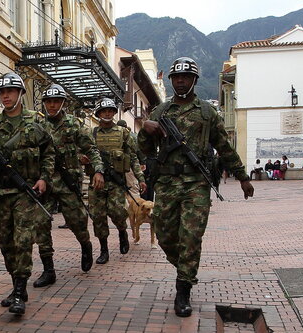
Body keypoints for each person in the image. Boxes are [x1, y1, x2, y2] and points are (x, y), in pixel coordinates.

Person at [138, 57, 254, 317]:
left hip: (196, 184)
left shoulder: (206, 112)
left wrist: (242, 176)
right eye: (176, 78)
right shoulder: (160, 112)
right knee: (166, 236)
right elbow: (144, 151)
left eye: (186, 77)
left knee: (190, 237)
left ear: (194, 80)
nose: (181, 81)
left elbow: (223, 146)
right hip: (166, 183)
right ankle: (185, 268)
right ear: (171, 81)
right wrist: (146, 130)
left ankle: (183, 288)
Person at [0, 72, 55, 315]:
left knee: (22, 241)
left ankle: (21, 291)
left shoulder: (36, 121)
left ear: (21, 93)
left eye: (10, 91)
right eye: (1, 92)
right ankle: (15, 285)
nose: (6, 96)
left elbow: (49, 152)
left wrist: (44, 178)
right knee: (5, 243)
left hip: (25, 191)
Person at [31, 84, 104, 288]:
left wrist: (98, 170)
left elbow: (91, 149)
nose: (52, 105)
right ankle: (48, 270)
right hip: (44, 181)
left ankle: (85, 244)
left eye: (56, 101)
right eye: (48, 101)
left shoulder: (74, 124)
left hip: (67, 181)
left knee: (77, 221)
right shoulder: (37, 124)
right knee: (40, 223)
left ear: (63, 103)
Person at [88, 97, 146, 265]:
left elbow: (133, 158)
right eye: (103, 111)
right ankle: (104, 249)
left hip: (116, 181)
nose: (107, 113)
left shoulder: (123, 133)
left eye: (110, 110)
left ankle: (122, 231)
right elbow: (81, 153)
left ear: (114, 113)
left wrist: (140, 178)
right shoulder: (91, 133)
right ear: (98, 113)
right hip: (96, 183)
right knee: (98, 217)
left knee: (118, 212)